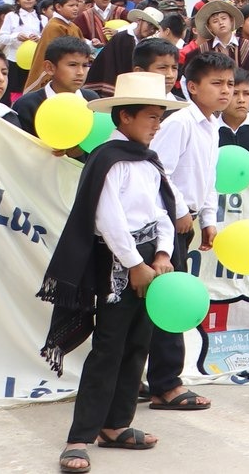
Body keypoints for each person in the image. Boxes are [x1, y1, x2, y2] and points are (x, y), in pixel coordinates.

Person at [39, 71, 187, 473]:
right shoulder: (108, 159)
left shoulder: (148, 160)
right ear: (124, 117)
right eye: (151, 117)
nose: (158, 125)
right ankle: (79, 436)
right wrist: (135, 264)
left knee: (139, 341)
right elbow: (109, 219)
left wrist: (160, 254)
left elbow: (161, 213)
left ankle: (117, 424)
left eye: (161, 116)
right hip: (116, 264)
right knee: (108, 346)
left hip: (146, 261)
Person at [142, 49, 232, 414]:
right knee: (168, 302)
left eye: (229, 83)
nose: (225, 91)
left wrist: (208, 218)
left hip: (186, 222)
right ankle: (165, 384)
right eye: (216, 83)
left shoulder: (212, 125)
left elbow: (208, 178)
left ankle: (150, 378)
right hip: (161, 223)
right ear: (191, 86)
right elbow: (156, 171)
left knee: (163, 300)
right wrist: (179, 210)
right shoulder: (179, 122)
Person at [14, 35, 93, 137]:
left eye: (85, 65)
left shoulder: (91, 101)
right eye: (72, 65)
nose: (80, 72)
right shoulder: (28, 105)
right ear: (50, 67)